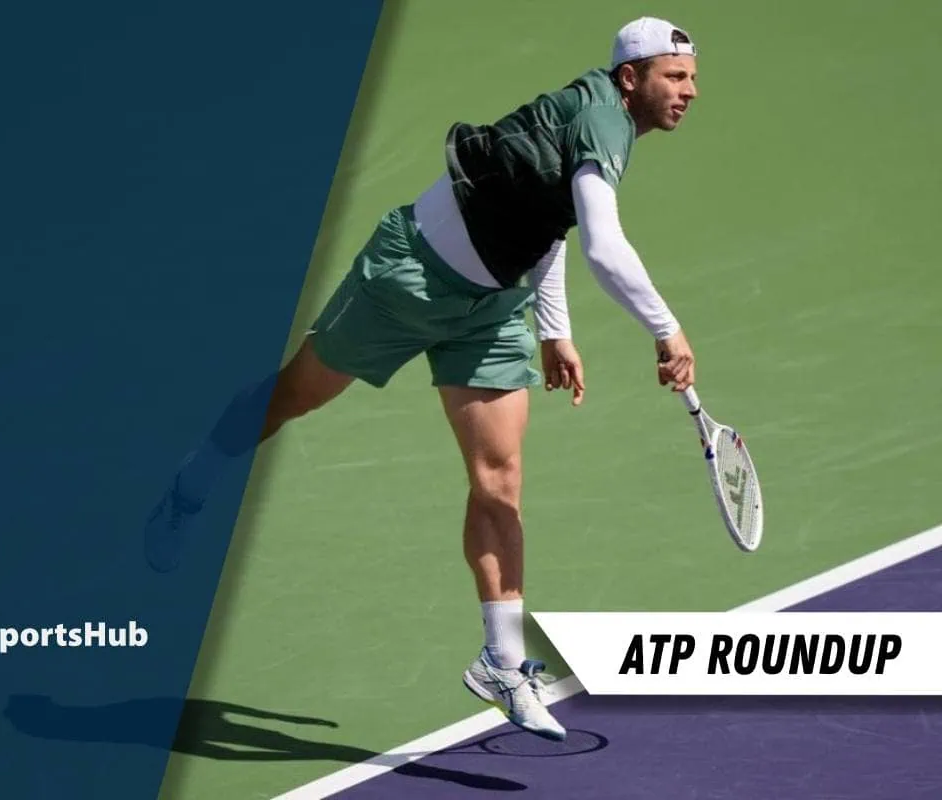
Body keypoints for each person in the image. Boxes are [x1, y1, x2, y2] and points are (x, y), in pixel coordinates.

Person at [145, 16, 699, 742]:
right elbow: (603, 245)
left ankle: (502, 660)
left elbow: (549, 223)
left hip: (494, 309)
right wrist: (666, 327)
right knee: (292, 398)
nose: (688, 91)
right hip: (407, 282)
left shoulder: (597, 121)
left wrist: (553, 329)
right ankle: (196, 479)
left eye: (692, 80)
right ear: (633, 77)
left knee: (500, 480)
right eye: (675, 76)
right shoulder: (603, 120)